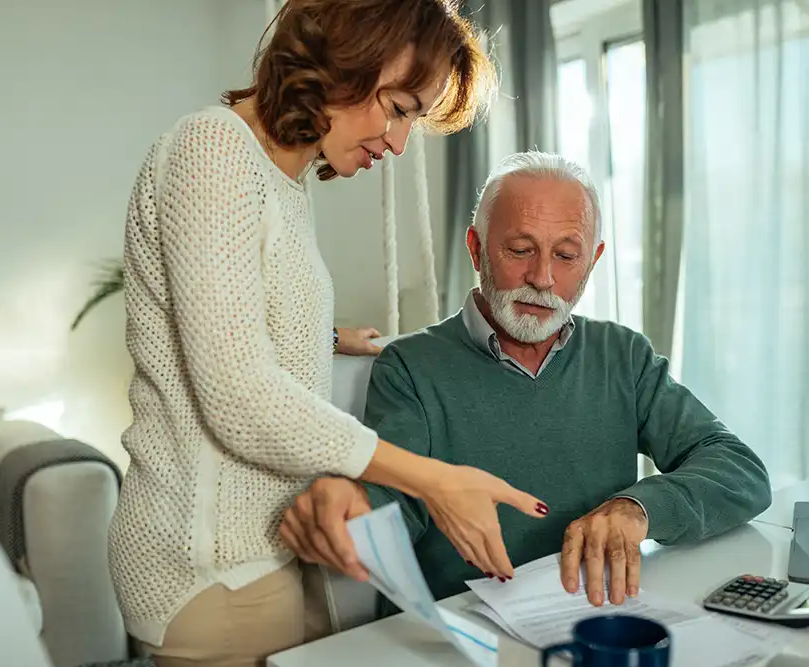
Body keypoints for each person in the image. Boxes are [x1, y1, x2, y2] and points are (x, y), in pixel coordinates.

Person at [107, 3, 554, 666]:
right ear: (348, 54)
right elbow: (237, 393)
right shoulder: (212, 149)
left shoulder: (279, 181)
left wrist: (326, 334)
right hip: (206, 565)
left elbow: (232, 311)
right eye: (399, 107)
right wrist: (434, 479)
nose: (400, 143)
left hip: (260, 553)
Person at [279, 151, 773, 618]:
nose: (542, 278)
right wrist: (349, 511)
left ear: (593, 261)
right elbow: (392, 509)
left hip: (592, 617)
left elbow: (740, 471)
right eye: (520, 250)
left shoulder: (623, 356)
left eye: (566, 256)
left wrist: (638, 507)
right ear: (476, 248)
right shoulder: (410, 365)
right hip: (462, 634)